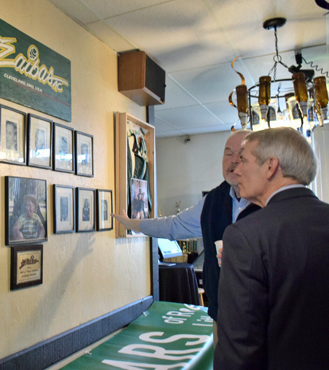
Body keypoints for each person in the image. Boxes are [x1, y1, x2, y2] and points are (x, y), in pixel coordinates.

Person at [111, 130, 260, 340]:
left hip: (263, 315)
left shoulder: (270, 201)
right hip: (222, 312)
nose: (234, 160)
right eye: (228, 153)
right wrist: (132, 224)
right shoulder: (213, 201)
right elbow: (174, 226)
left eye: (242, 154)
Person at [215, 127, 329, 369]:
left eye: (244, 159)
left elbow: (240, 350)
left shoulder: (246, 236)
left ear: (270, 167)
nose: (237, 168)